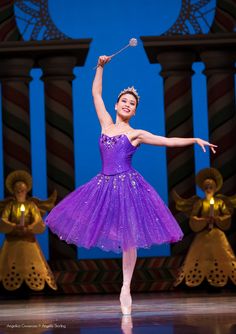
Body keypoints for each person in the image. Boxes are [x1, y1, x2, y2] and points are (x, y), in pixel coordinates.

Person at [45, 55, 217, 314]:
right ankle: (123, 283)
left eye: (132, 103)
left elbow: (166, 141)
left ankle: (126, 287)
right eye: (124, 101)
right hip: (103, 185)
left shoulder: (136, 134)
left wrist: (194, 140)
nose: (127, 105)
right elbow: (95, 93)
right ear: (116, 105)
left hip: (128, 186)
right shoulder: (105, 124)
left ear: (134, 111)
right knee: (103, 227)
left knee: (129, 238)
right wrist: (101, 67)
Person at [173, 167, 236, 287]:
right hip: (203, 235)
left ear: (215, 188)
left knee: (223, 253)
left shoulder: (220, 202)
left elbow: (227, 215)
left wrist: (217, 219)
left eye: (210, 187)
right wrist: (204, 220)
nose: (208, 190)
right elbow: (193, 217)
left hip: (217, 234)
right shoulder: (200, 203)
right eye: (206, 187)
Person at [0, 170, 57, 291]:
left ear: (26, 191)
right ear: (14, 191)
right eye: (17, 190)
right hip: (12, 242)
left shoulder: (31, 205)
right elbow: (3, 220)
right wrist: (14, 227)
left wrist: (29, 228)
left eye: (22, 190)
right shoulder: (10, 206)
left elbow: (37, 220)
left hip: (28, 240)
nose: (20, 193)